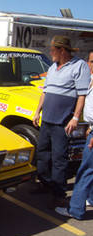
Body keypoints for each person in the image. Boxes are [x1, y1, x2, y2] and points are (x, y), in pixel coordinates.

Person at [32, 36, 91, 208]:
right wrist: (37, 112)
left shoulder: (79, 66)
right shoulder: (52, 67)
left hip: (62, 122)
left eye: (52, 50)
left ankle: (58, 193)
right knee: (42, 154)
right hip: (47, 120)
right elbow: (45, 92)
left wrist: (74, 117)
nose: (50, 53)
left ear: (62, 50)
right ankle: (45, 184)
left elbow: (82, 95)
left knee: (59, 158)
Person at [55, 50, 93, 219]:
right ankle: (91, 199)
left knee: (85, 171)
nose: (92, 65)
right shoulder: (90, 80)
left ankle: (75, 210)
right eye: (91, 61)